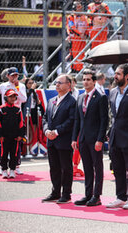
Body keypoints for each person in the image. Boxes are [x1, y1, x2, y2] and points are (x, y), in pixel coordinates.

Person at [71, 68, 108, 206]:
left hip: (95, 139)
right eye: (84, 80)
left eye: (88, 80)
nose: (85, 82)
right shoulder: (80, 97)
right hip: (83, 139)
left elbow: (104, 120)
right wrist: (74, 138)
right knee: (86, 167)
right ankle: (88, 195)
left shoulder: (101, 97)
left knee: (97, 167)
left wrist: (100, 139)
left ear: (94, 81)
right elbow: (77, 120)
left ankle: (97, 196)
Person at [106, 64, 128, 210]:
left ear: (126, 76)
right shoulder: (113, 92)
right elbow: (113, 115)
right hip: (115, 136)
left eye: (118, 74)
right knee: (117, 169)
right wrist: (109, 132)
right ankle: (121, 197)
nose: (115, 76)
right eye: (115, 73)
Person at [42, 74, 76, 203]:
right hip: (51, 140)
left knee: (66, 167)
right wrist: (46, 130)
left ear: (69, 85)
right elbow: (45, 118)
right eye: (56, 82)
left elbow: (71, 120)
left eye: (60, 83)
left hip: (63, 140)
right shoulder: (52, 100)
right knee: (54, 167)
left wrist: (56, 131)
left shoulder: (72, 101)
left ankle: (66, 193)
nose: (57, 84)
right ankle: (55, 191)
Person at [0, 67, 27, 175]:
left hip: (17, 114)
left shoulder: (21, 86)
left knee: (17, 142)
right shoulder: (3, 86)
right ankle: (3, 167)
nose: (14, 77)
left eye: (16, 75)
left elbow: (24, 99)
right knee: (3, 143)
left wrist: (17, 88)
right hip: (5, 114)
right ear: (7, 76)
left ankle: (16, 166)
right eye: (12, 75)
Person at [0, 89, 24, 179]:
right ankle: (4, 170)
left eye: (14, 96)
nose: (13, 98)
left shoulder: (18, 109)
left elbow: (21, 123)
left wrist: (20, 135)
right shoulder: (1, 108)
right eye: (10, 96)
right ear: (6, 98)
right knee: (3, 153)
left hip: (15, 137)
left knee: (14, 153)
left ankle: (12, 170)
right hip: (4, 137)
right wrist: (0, 135)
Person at [66, 1, 88, 72]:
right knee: (74, 55)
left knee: (82, 54)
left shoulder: (84, 17)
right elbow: (71, 27)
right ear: (74, 8)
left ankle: (81, 69)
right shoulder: (71, 17)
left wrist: (86, 35)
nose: (80, 8)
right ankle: (75, 70)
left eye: (80, 7)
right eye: (78, 7)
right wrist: (79, 34)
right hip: (74, 39)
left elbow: (87, 26)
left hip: (83, 39)